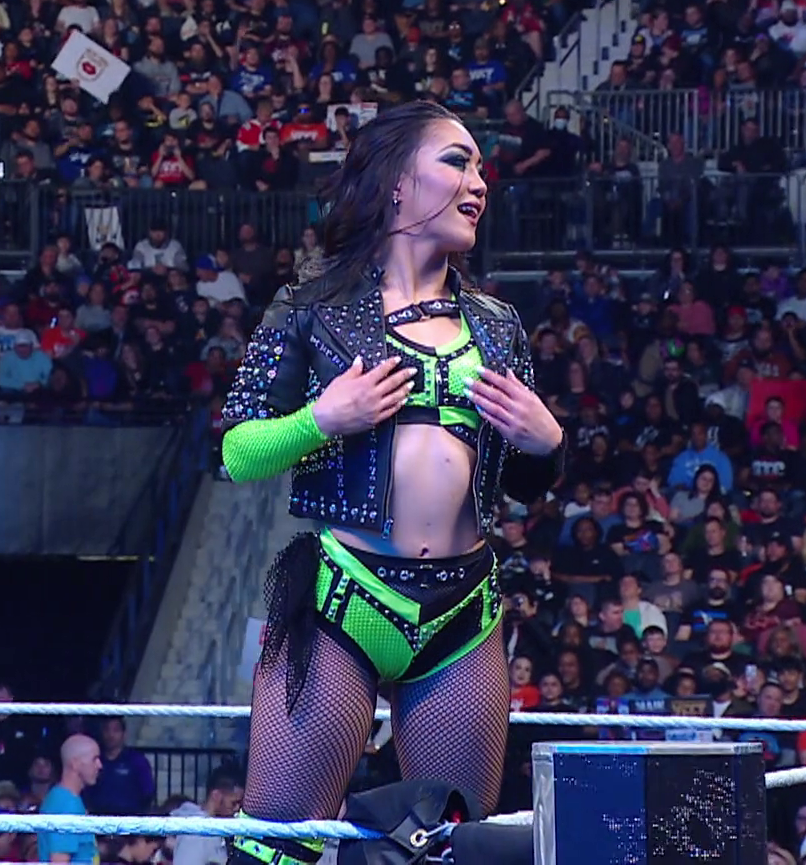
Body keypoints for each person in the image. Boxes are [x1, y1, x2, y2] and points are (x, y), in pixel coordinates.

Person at [219, 101, 564, 865]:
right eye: (457, 161)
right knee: (278, 846)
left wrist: (548, 445)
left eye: (480, 167)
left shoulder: (497, 324)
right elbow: (236, 453)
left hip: (463, 609)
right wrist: (322, 419)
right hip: (345, 598)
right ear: (397, 182)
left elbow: (525, 484)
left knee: (454, 844)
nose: (479, 181)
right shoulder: (310, 309)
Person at [38, 734, 102, 863]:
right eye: (94, 759)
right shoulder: (65, 804)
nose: (100, 765)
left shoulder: (67, 799)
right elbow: (59, 861)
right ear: (75, 764)